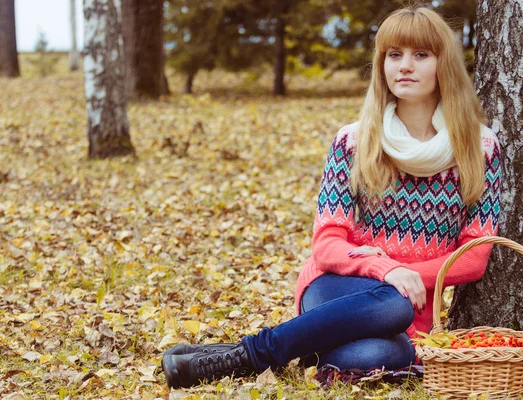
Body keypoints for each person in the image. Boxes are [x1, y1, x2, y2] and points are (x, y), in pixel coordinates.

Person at [161, 5, 502, 389]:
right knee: (392, 301)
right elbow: (327, 244)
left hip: (409, 313)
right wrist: (387, 271)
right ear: (381, 64)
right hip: (335, 287)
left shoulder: (479, 147)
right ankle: (254, 354)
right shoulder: (354, 141)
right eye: (394, 54)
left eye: (421, 55)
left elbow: (474, 256)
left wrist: (408, 277)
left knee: (386, 355)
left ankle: (291, 345)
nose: (405, 65)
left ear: (445, 64)